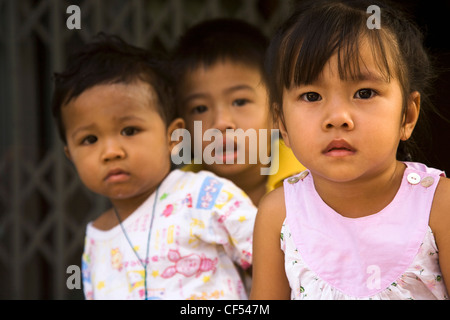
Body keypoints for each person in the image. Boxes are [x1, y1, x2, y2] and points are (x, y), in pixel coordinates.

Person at [250, 0, 449, 300]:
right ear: (282, 124)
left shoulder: (439, 205)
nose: (337, 118)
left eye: (364, 93)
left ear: (407, 115)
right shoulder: (278, 214)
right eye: (312, 95)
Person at [51, 33, 257, 300]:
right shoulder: (97, 238)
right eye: (90, 139)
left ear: (172, 137)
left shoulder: (205, 196)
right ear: (70, 154)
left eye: (130, 130)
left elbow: (279, 260)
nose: (111, 152)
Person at [171, 18, 306, 206]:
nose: (221, 122)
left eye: (240, 102)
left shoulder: (311, 178)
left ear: (278, 114)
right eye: (200, 108)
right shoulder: (174, 197)